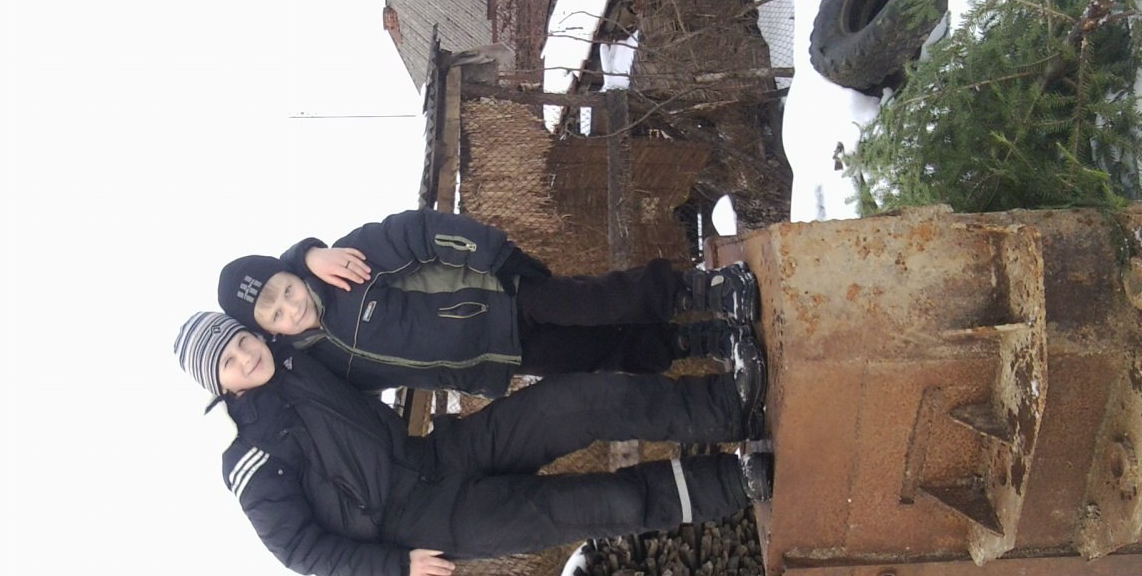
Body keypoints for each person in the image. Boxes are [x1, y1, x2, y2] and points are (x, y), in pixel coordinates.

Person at [173, 312, 773, 576]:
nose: (245, 357)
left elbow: (272, 283)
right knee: (594, 504)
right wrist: (393, 568)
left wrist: (307, 255)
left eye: (241, 341)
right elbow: (299, 550)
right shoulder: (244, 457)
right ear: (218, 383)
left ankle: (730, 405)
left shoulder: (297, 354)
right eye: (228, 362)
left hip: (440, 453)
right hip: (423, 523)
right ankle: (734, 482)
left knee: (575, 403)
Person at [216, 207, 761, 398]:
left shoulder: (344, 265)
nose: (290, 307)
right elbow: (277, 385)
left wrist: (496, 255)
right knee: (600, 355)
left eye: (286, 289)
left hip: (504, 297)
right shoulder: (319, 362)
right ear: (269, 331)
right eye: (274, 313)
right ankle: (707, 341)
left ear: (290, 273)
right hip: (496, 360)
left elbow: (417, 231)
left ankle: (703, 290)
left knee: (600, 300)